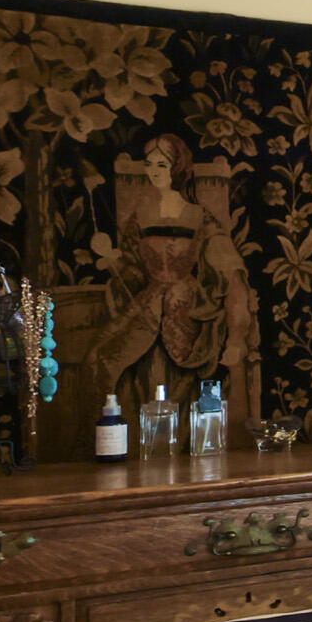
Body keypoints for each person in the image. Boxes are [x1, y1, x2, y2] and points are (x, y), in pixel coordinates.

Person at [92, 135, 258, 432]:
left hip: (188, 309)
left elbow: (228, 268)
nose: (154, 171)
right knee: (108, 361)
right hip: (147, 306)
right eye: (149, 164)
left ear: (177, 168)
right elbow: (132, 272)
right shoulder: (139, 217)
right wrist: (111, 259)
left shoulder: (197, 216)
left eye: (162, 164)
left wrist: (236, 334)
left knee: (186, 383)